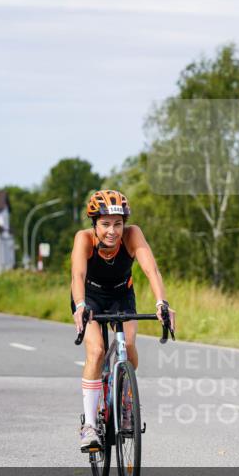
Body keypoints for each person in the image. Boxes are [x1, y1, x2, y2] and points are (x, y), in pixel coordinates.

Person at [71, 189, 175, 451]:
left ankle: (126, 399)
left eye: (118, 224)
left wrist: (161, 302)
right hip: (89, 297)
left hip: (121, 294)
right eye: (105, 224)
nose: (112, 231)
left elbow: (151, 269)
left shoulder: (132, 235)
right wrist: (81, 306)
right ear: (94, 224)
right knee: (96, 351)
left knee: (127, 347)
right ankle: (91, 425)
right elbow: (77, 275)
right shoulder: (84, 239)